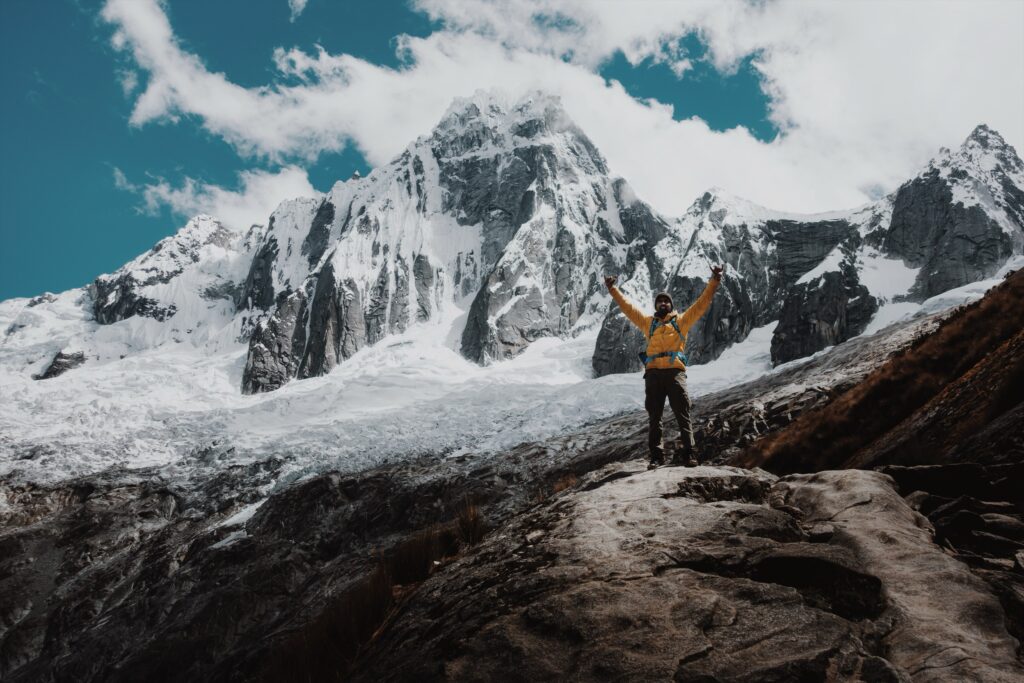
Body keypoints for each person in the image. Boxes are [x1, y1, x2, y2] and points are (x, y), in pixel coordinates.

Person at [604, 265, 724, 468]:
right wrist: (612, 289)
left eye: (666, 301)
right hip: (653, 375)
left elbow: (702, 303)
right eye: (659, 301)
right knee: (655, 418)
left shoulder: (681, 321)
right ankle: (656, 457)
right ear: (656, 305)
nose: (662, 303)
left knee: (682, 414)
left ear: (671, 305)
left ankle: (690, 454)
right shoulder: (647, 323)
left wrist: (715, 279)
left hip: (675, 373)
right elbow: (627, 307)